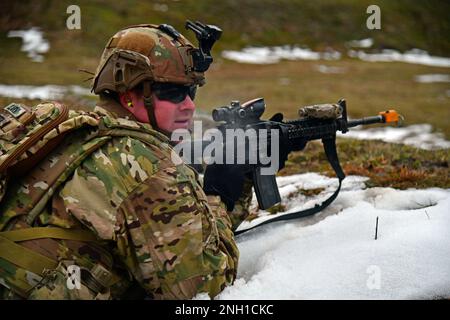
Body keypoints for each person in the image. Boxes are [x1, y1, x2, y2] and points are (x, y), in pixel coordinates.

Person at [0, 23, 254, 300]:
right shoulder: (149, 169)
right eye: (172, 93)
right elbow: (202, 291)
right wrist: (220, 198)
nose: (189, 105)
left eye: (191, 91)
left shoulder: (78, 132)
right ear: (129, 94)